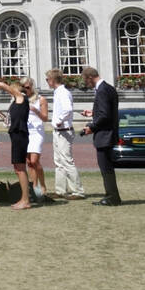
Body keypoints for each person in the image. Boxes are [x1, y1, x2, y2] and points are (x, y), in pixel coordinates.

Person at [80, 66, 121, 206]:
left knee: (105, 167)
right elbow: (106, 112)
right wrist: (93, 114)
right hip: (109, 133)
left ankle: (112, 197)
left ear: (90, 77)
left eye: (86, 81)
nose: (86, 84)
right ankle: (111, 195)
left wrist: (91, 127)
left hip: (105, 135)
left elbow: (104, 115)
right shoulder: (108, 88)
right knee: (107, 167)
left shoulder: (102, 90)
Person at [46, 69, 85, 200]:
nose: (47, 82)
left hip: (63, 130)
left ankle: (78, 191)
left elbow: (67, 109)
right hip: (59, 130)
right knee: (59, 161)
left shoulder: (63, 92)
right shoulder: (59, 92)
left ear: (52, 80)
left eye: (47, 79)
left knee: (67, 161)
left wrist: (58, 121)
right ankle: (60, 190)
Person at [0, 80, 34, 209]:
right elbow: (10, 121)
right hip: (16, 135)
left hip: (20, 136)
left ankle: (25, 200)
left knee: (20, 169)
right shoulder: (16, 103)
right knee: (18, 168)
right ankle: (24, 198)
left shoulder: (21, 98)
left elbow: (0, 84)